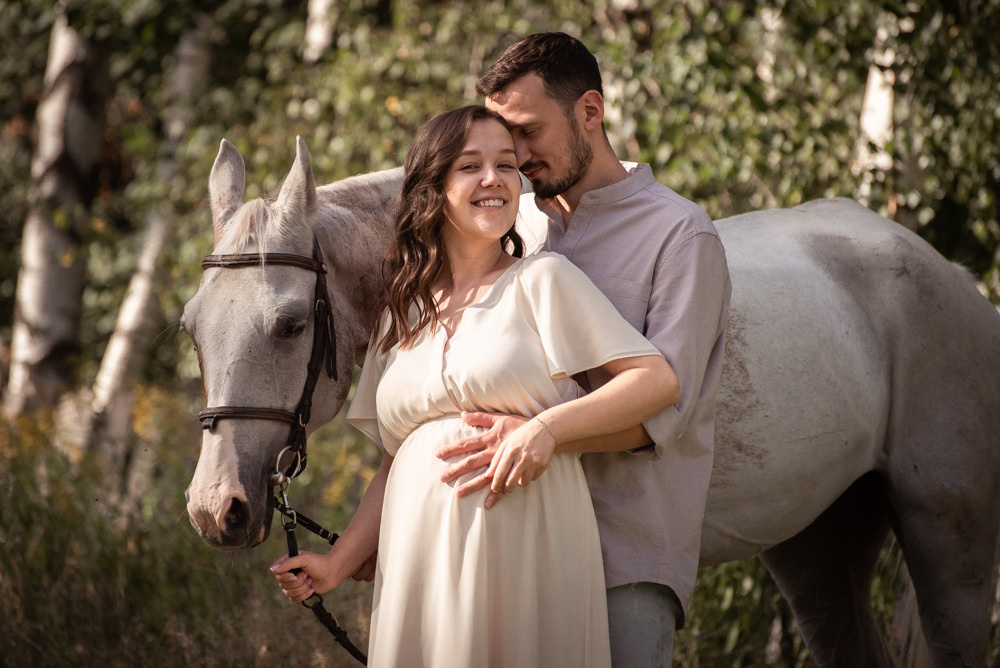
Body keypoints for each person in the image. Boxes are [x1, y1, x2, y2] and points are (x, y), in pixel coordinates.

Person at [269, 105, 680, 667]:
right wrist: (338, 564)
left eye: (507, 165)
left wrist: (547, 430)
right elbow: (394, 464)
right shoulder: (402, 313)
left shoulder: (544, 280)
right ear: (432, 190)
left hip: (526, 545)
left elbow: (654, 381)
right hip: (418, 561)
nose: (495, 179)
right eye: (471, 166)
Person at [433, 33, 732, 666]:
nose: (515, 154)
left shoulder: (680, 236)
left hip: (621, 556)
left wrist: (539, 432)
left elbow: (658, 417)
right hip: (511, 545)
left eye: (528, 131)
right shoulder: (517, 227)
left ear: (589, 112)